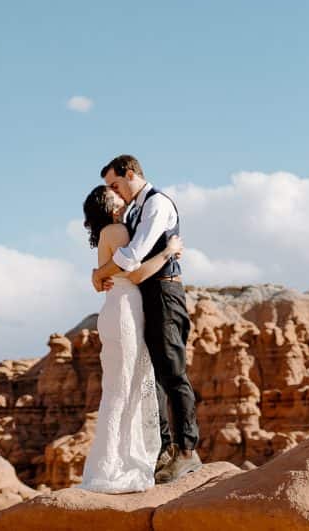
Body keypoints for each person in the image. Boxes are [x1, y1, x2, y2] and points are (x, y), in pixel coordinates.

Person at [90, 154, 202, 484]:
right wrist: (101, 275)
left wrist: (99, 273)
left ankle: (186, 452)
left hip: (165, 293)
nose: (115, 191)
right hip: (144, 298)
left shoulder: (156, 205)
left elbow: (131, 257)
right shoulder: (133, 211)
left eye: (115, 184)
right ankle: (164, 450)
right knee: (151, 377)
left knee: (172, 370)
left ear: (130, 174)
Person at [76, 183, 184, 493]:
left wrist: (97, 276)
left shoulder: (107, 234)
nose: (121, 198)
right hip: (125, 311)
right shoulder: (118, 231)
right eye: (115, 196)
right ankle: (117, 467)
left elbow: (101, 280)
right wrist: (168, 251)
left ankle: (115, 463)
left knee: (120, 387)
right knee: (125, 388)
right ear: (108, 206)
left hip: (116, 310)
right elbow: (135, 273)